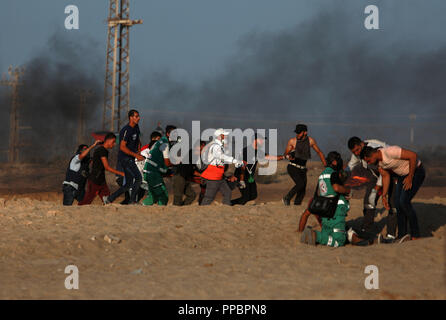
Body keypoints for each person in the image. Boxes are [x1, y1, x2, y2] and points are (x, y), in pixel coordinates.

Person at [363, 145, 425, 241]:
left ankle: (415, 234)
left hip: (416, 172)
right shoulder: (379, 164)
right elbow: (385, 177)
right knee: (397, 204)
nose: (369, 163)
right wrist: (384, 195)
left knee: (404, 201)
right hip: (402, 176)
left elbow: (413, 156)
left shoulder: (390, 151)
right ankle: (402, 235)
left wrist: (410, 177)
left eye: (368, 160)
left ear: (373, 154)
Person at [347, 136, 397, 240]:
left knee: (392, 204)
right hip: (376, 175)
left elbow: (384, 170)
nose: (356, 153)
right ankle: (367, 230)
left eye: (357, 150)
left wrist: (377, 188)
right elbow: (351, 165)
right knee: (369, 202)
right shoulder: (356, 154)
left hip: (392, 174)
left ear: (362, 144)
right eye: (354, 152)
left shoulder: (375, 149)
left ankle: (391, 235)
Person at [300, 151, 350, 247]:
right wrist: (347, 190)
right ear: (334, 162)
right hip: (336, 210)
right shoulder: (334, 173)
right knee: (339, 240)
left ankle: (315, 235)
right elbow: (336, 188)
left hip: (325, 211)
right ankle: (315, 235)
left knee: (328, 235)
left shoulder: (322, 175)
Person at [231, 134, 284, 205]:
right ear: (255, 140)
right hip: (241, 176)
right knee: (246, 197)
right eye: (261, 139)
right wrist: (241, 180)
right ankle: (230, 204)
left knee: (253, 195)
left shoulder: (259, 151)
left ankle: (231, 203)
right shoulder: (246, 150)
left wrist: (284, 157)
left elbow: (271, 157)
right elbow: (242, 166)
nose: (262, 141)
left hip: (249, 177)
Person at [283, 124, 326, 206]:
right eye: (297, 132)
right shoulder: (292, 141)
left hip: (302, 169)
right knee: (300, 184)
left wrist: (325, 165)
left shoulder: (310, 141)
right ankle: (287, 198)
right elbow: (285, 154)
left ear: (305, 132)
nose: (297, 134)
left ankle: (297, 205)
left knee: (302, 190)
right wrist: (290, 154)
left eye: (299, 133)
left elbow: (319, 152)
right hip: (293, 167)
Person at [108, 110, 144, 204]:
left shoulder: (136, 127)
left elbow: (138, 140)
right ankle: (132, 201)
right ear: (130, 118)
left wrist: (139, 150)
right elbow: (122, 147)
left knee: (128, 184)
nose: (138, 118)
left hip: (131, 158)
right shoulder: (126, 130)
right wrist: (136, 155)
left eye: (138, 116)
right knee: (138, 178)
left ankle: (110, 199)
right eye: (136, 116)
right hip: (125, 159)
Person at [200, 129, 243, 206]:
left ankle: (226, 209)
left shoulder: (217, 145)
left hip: (218, 175)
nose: (226, 137)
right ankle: (201, 212)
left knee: (227, 193)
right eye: (224, 135)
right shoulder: (215, 146)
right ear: (219, 136)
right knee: (209, 197)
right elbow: (220, 156)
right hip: (213, 176)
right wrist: (234, 160)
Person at [79, 133, 124, 205]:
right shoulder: (102, 150)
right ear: (108, 141)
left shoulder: (102, 150)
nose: (114, 144)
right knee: (86, 201)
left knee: (108, 200)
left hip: (102, 181)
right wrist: (121, 173)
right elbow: (107, 167)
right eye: (113, 141)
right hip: (94, 180)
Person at [62, 141, 100, 205]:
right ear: (80, 151)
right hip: (70, 187)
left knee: (86, 204)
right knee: (67, 208)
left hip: (80, 190)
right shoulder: (75, 159)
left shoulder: (86, 165)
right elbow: (82, 155)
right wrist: (93, 145)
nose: (86, 151)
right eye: (84, 149)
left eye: (87, 149)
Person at [141, 130, 170, 206]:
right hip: (152, 174)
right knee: (163, 195)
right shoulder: (163, 145)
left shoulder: (155, 146)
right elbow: (166, 162)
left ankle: (142, 206)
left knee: (153, 195)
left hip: (148, 173)